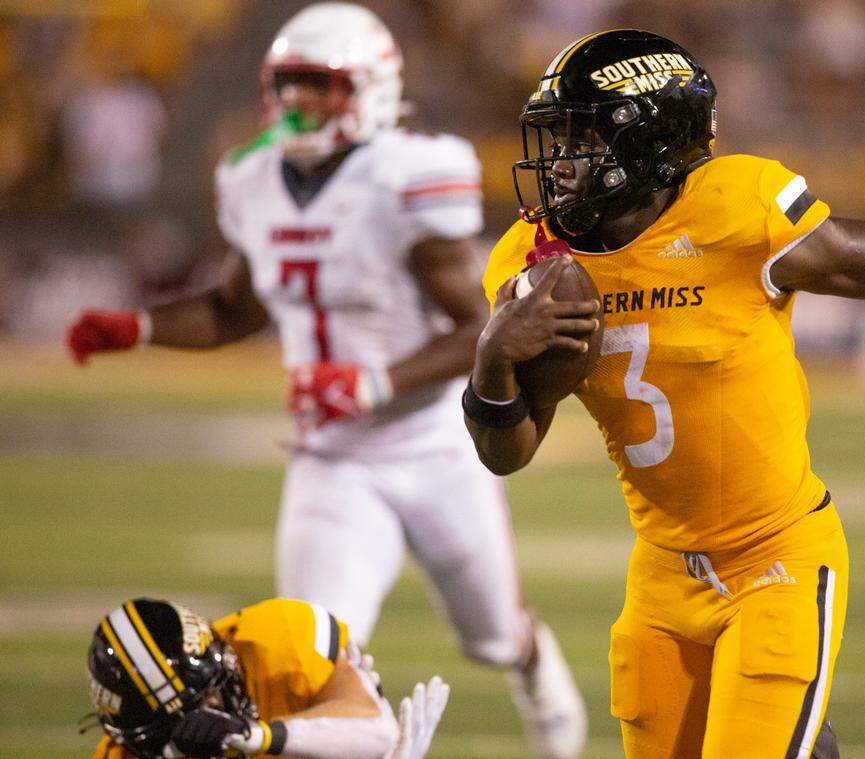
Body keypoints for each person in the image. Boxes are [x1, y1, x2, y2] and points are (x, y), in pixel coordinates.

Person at [465, 29, 865, 758]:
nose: (558, 164)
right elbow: (507, 453)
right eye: (557, 142)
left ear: (648, 140)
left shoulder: (737, 208)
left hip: (775, 559)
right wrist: (491, 364)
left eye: (581, 141)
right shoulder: (533, 262)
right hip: (660, 578)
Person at [67, 5, 586, 757]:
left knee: (495, 636)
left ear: (371, 88)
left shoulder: (410, 173)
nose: (300, 102)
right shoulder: (251, 178)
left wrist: (374, 383)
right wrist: (139, 327)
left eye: (321, 83)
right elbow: (231, 306)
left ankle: (541, 684)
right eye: (289, 83)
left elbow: (481, 323)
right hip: (333, 459)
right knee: (305, 668)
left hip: (435, 442)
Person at [86, 596, 447, 758]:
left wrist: (256, 735)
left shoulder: (275, 641)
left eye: (207, 698)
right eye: (175, 724)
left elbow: (376, 731)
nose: (205, 719)